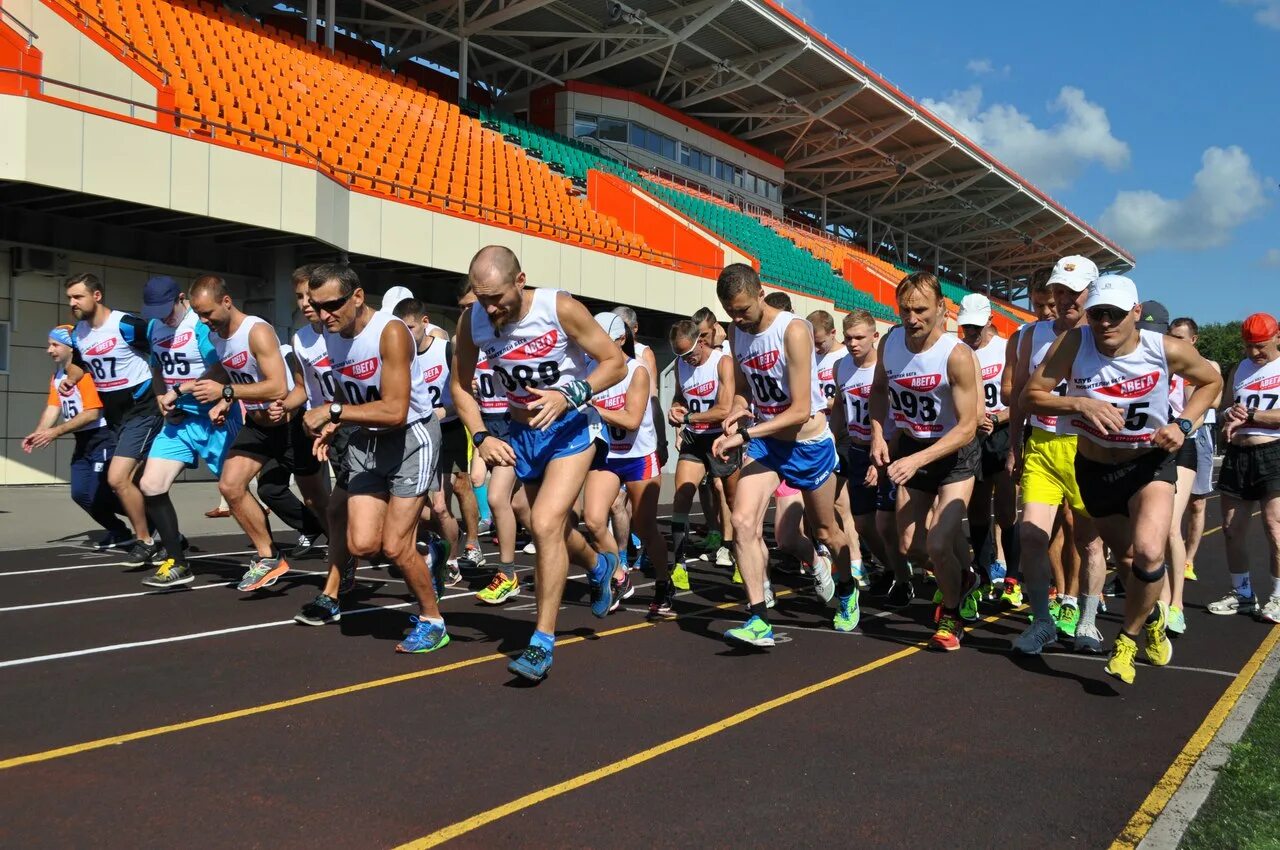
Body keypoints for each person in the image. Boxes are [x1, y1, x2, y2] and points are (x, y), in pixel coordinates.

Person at [1025, 274, 1221, 683]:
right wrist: (1077, 402)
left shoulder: (1165, 348)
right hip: (1095, 468)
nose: (1105, 324)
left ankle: (1127, 640)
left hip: (1149, 463)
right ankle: (1149, 620)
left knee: (1150, 552)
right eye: (1097, 314)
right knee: (1130, 561)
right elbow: (1033, 394)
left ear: (1136, 313)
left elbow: (1212, 381)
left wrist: (1184, 423)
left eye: (1115, 314)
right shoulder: (1075, 345)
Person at [452, 245, 627, 682]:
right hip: (520, 433)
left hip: (571, 427)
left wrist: (571, 395)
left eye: (496, 297)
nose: (489, 307)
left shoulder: (559, 307)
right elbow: (459, 385)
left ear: (519, 280)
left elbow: (615, 363)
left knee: (548, 521)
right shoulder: (472, 319)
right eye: (480, 297)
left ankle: (541, 642)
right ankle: (599, 565)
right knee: (535, 518)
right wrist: (481, 436)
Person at [299, 264, 449, 649]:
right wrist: (334, 423)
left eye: (333, 305)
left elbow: (395, 410)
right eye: (317, 306)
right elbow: (354, 395)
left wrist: (333, 413)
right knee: (364, 544)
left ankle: (433, 621)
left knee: (395, 546)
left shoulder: (391, 332)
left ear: (358, 297)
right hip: (369, 439)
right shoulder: (331, 335)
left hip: (411, 436)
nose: (324, 314)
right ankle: (428, 544)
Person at [711, 265, 859, 647]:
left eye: (743, 310)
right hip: (768, 443)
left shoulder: (793, 330)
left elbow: (798, 410)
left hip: (807, 444)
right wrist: (737, 411)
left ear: (761, 294)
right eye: (731, 313)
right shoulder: (736, 331)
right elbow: (744, 390)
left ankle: (846, 586)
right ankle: (759, 618)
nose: (738, 319)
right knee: (743, 522)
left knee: (827, 532)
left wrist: (746, 432)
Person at [869, 272, 981, 651]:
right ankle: (964, 577)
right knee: (910, 546)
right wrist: (877, 434)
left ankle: (951, 616)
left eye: (920, 310)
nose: (912, 318)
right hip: (913, 449)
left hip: (954, 455)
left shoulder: (957, 356)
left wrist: (918, 458)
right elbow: (880, 391)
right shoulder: (890, 344)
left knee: (936, 543)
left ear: (941, 310)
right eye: (905, 310)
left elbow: (968, 427)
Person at [1008, 256, 1108, 655]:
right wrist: (1016, 444)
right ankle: (1042, 622)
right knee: (1031, 536)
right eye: (1059, 291)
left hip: (1087, 448)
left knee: (1090, 543)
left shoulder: (1105, 334)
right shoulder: (1031, 336)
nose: (1065, 299)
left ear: (1092, 292)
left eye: (1074, 292)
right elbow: (1018, 396)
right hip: (1043, 445)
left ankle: (1087, 621)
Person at [187, 275, 305, 591]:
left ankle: (345, 552)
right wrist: (220, 398)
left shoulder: (258, 331)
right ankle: (269, 556)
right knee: (230, 485)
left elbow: (278, 385)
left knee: (320, 504)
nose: (204, 320)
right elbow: (232, 369)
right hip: (258, 425)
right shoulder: (216, 337)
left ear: (227, 302)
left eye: (208, 313)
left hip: (291, 424)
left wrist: (226, 392)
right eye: (198, 314)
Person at [136, 276, 242, 587]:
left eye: (167, 309)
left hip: (213, 417)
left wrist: (181, 390)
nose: (163, 317)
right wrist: (160, 394)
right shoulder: (155, 328)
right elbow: (156, 366)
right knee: (151, 485)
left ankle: (268, 554)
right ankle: (177, 562)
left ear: (182, 299)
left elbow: (222, 367)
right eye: (155, 311)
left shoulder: (199, 325)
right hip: (178, 421)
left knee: (234, 492)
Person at [62, 273, 163, 566]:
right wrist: (71, 380)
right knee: (140, 483)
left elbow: (163, 351)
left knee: (118, 478)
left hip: (143, 409)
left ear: (97, 296)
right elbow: (81, 365)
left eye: (78, 296)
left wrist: (166, 389)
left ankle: (145, 541)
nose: (72, 303)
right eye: (69, 297)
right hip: (116, 416)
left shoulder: (126, 325)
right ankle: (168, 536)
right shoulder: (79, 332)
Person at [582, 313, 669, 614]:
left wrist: (593, 407)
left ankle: (663, 581)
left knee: (645, 527)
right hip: (608, 455)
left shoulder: (637, 371)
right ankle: (620, 575)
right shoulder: (590, 368)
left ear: (620, 340)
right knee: (592, 520)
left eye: (601, 338)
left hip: (639, 457)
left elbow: (632, 420)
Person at [394, 298, 483, 584]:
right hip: (419, 433)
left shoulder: (445, 350)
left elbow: (465, 392)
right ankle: (441, 546)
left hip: (450, 427)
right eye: (401, 329)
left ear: (424, 322)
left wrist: (446, 410)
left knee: (458, 488)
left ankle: (468, 546)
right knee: (428, 505)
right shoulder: (401, 356)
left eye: (410, 328)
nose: (407, 335)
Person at [23, 325, 132, 547]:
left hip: (101, 436)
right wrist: (39, 432)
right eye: (49, 344)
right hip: (82, 441)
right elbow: (53, 407)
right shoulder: (57, 377)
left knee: (99, 493)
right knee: (80, 493)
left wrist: (55, 432)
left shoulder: (86, 375)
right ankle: (119, 531)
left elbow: (91, 413)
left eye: (55, 345)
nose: (49, 350)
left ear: (71, 348)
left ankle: (148, 516)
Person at [831, 310, 911, 607]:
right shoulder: (840, 367)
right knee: (863, 525)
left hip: (890, 449)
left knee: (887, 524)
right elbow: (840, 405)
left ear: (875, 337)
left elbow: (902, 417)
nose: (853, 344)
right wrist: (829, 436)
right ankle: (891, 568)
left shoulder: (887, 368)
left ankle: (904, 580)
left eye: (860, 338)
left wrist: (884, 459)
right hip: (857, 449)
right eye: (848, 338)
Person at [1210, 312, 1280, 624]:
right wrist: (1229, 416)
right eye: (1249, 346)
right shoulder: (1239, 368)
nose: (1254, 353)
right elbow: (1224, 404)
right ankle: (1242, 593)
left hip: (1273, 451)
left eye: (1261, 346)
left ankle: (1277, 596)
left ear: (1277, 337)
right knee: (1231, 528)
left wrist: (1250, 415)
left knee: (1274, 528)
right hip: (1238, 454)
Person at [667, 319, 739, 594]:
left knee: (732, 500)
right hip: (694, 438)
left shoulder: (722, 363)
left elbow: (723, 409)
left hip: (720, 439)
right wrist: (675, 409)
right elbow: (678, 396)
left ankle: (739, 558)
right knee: (682, 495)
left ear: (702, 342)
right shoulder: (680, 364)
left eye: (690, 353)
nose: (687, 359)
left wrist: (689, 416)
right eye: (680, 355)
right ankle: (679, 564)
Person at [957, 294, 1018, 593]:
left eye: (975, 327)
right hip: (972, 437)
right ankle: (982, 571)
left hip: (1001, 435)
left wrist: (997, 419)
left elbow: (1019, 401)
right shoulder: (959, 352)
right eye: (966, 326)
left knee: (1006, 509)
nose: (970, 332)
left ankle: (1012, 577)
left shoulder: (1006, 349)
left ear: (990, 320)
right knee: (978, 509)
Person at [810, 309, 864, 585]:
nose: (816, 347)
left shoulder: (843, 358)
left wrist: (821, 405)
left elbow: (843, 400)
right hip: (821, 436)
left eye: (819, 342)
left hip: (842, 435)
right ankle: (833, 553)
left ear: (833, 334)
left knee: (841, 502)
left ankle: (855, 559)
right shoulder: (813, 357)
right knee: (826, 503)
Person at [1168, 317, 1219, 582]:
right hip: (1170, 436)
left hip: (1197, 437)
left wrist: (1185, 425)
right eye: (1171, 336)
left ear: (1193, 340)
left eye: (1180, 338)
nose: (1174, 342)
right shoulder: (1166, 364)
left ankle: (1188, 560)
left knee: (1197, 503)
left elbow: (1215, 399)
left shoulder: (1208, 366)